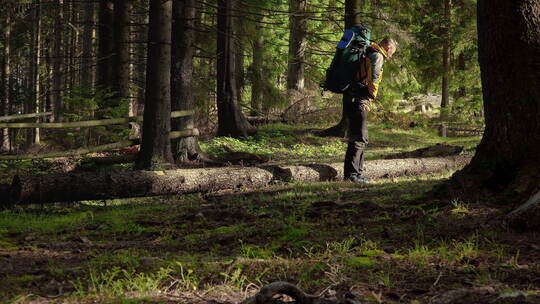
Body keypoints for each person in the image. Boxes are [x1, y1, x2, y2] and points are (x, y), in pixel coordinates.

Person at [344, 37, 397, 183]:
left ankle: (357, 173)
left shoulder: (368, 52)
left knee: (357, 135)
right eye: (392, 52)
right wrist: (371, 97)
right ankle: (352, 175)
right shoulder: (377, 56)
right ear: (388, 48)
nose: (391, 56)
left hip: (353, 96)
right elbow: (374, 78)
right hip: (360, 98)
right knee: (359, 137)